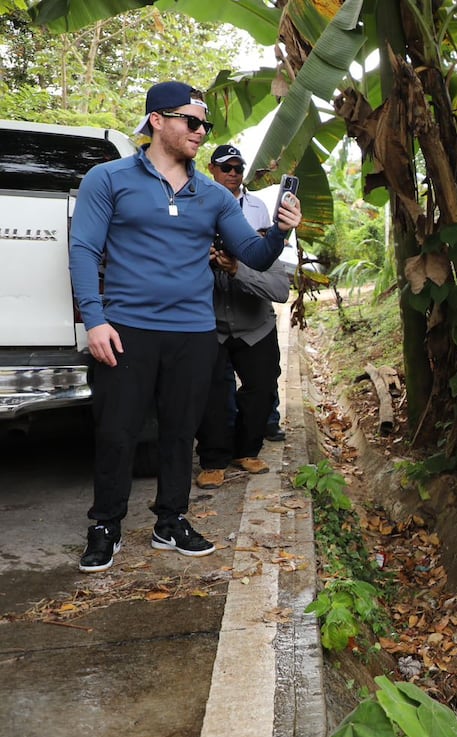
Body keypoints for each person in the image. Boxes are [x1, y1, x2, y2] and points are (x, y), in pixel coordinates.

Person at [70, 81, 302, 573]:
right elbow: (84, 250)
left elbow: (254, 254)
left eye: (205, 125)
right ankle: (105, 525)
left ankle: (170, 520)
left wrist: (280, 230)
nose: (201, 132)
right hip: (126, 328)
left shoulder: (214, 195)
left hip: (194, 333)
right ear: (157, 120)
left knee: (181, 433)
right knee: (117, 431)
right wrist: (95, 319)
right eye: (191, 121)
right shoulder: (108, 179)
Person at [194, 144, 291, 489]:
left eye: (239, 168)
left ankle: (247, 450)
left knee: (262, 389)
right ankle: (213, 458)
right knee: (213, 395)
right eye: (226, 168)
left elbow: (280, 289)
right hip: (211, 325)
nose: (233, 173)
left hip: (255, 325)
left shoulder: (258, 223)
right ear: (213, 170)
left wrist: (239, 269)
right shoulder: (195, 207)